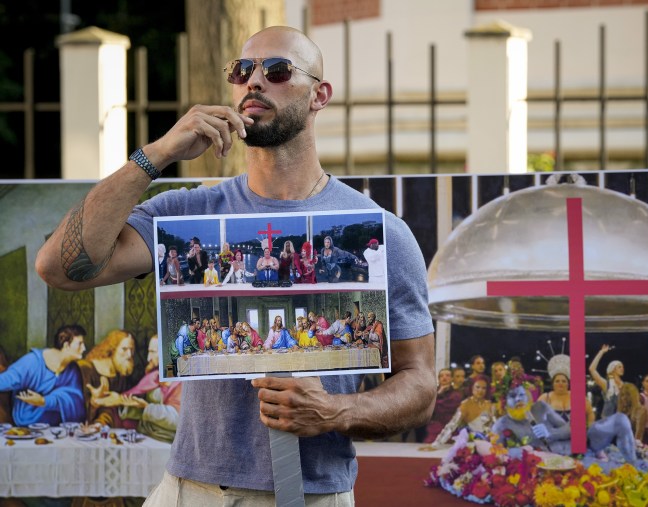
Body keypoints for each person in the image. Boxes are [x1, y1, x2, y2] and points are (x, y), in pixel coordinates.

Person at [35, 25, 435, 504]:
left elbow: (420, 384)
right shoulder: (186, 214)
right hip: (190, 489)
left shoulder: (380, 232)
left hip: (308, 493)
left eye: (278, 70)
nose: (254, 82)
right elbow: (59, 268)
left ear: (319, 95)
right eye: (242, 70)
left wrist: (334, 410)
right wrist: (156, 155)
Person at [491, 382, 638, 463]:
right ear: (504, 400)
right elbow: (495, 455)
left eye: (521, 395)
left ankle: (634, 466)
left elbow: (571, 429)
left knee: (620, 419)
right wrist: (528, 449)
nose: (518, 399)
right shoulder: (501, 424)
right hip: (552, 463)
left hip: (581, 448)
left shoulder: (540, 407)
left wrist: (551, 433)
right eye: (512, 396)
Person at [0, 324, 87, 426]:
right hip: (28, 425)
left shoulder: (73, 370)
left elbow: (76, 403)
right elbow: (6, 380)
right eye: (80, 344)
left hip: (58, 430)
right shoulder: (32, 362)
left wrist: (44, 401)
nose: (84, 348)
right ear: (66, 345)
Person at [120, 335, 182, 443]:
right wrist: (130, 405)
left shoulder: (182, 382)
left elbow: (179, 419)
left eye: (153, 352)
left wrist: (146, 408)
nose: (149, 358)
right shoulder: (153, 376)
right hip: (145, 435)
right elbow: (137, 399)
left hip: (167, 442)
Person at [76, 329, 136, 427]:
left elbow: (114, 410)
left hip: (104, 428)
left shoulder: (121, 375)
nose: (129, 355)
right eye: (124, 349)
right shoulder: (85, 368)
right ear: (112, 349)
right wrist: (94, 402)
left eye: (132, 350)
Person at [422, 376, 493, 449]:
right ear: (472, 388)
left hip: (488, 443)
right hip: (471, 444)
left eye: (484, 388)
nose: (480, 390)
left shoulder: (489, 405)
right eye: (477, 387)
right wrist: (436, 444)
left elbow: (494, 426)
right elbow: (451, 425)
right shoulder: (465, 404)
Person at [422, 368, 463, 444]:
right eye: (441, 376)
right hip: (433, 429)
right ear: (438, 379)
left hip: (450, 430)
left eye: (447, 375)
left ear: (451, 378)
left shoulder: (456, 394)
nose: (444, 377)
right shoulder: (432, 392)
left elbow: (441, 408)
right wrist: (439, 394)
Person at [589, 344, 624, 419]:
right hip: (607, 420)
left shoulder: (624, 385)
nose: (622, 368)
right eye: (619, 367)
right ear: (613, 369)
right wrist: (601, 352)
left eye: (622, 367)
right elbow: (592, 369)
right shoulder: (607, 384)